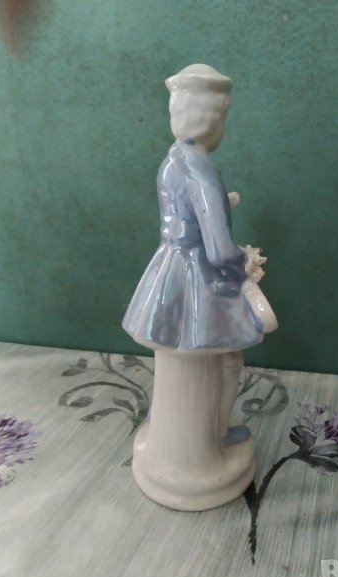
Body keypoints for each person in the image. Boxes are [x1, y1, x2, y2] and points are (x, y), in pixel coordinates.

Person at [123, 64, 265, 445]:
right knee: (223, 359)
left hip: (169, 264)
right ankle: (212, 433)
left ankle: (172, 429)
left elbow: (182, 213)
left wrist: (221, 205)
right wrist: (245, 266)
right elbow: (219, 250)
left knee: (174, 357)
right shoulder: (203, 172)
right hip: (198, 275)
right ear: (213, 120)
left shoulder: (172, 160)